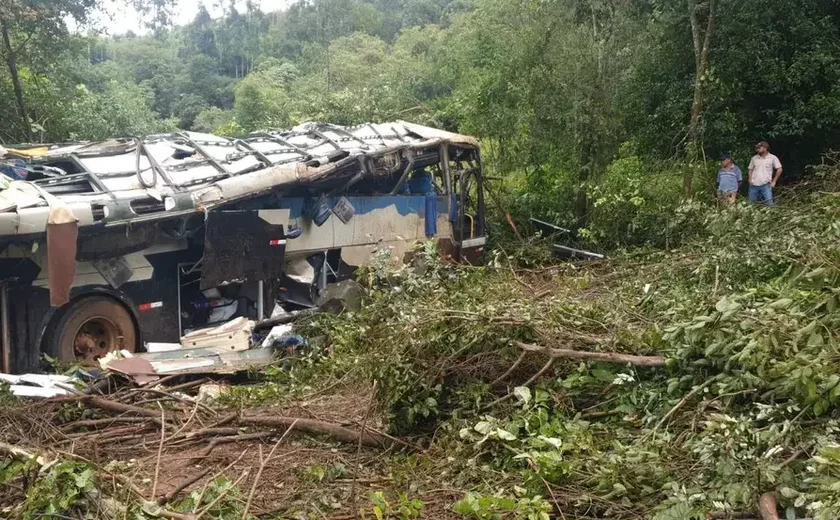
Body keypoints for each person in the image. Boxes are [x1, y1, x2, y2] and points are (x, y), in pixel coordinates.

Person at [748, 141, 782, 206]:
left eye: (759, 148)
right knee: (751, 205)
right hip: (753, 185)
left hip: (766, 185)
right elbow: (750, 169)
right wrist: (750, 179)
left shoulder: (773, 158)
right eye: (757, 148)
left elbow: (779, 169)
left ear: (765, 148)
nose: (757, 149)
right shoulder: (754, 158)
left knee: (769, 204)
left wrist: (774, 181)